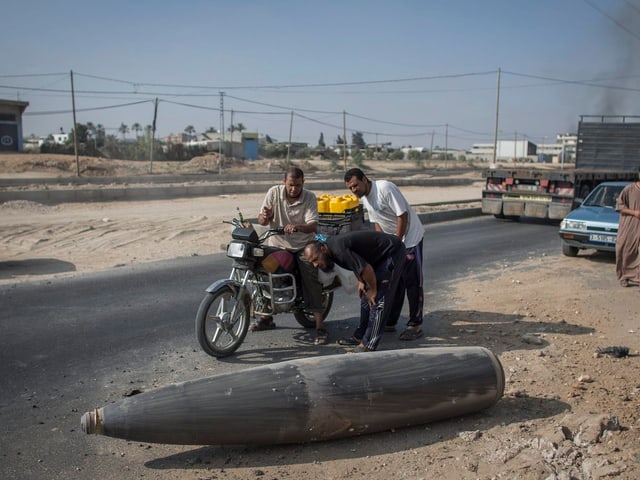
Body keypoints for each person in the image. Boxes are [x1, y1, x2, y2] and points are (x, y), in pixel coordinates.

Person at [344, 167, 424, 341]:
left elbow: (402, 215)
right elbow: (377, 224)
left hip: (410, 239)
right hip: (392, 243)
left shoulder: (385, 188)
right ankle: (391, 321)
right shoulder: (365, 198)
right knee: (393, 281)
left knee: (412, 282)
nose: (354, 190)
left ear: (364, 179)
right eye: (350, 188)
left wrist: (397, 241)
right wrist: (382, 247)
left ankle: (415, 324)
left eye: (355, 185)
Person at [251, 166, 329, 345]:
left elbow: (313, 226)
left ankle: (320, 326)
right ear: (284, 182)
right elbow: (262, 220)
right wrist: (265, 216)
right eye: (291, 185)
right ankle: (266, 317)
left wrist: (297, 227)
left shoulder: (309, 197)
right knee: (262, 271)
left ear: (303, 183)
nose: (294, 189)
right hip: (277, 245)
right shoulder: (273, 193)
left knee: (311, 276)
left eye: (298, 185)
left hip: (303, 246)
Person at [304, 230, 406, 352]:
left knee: (377, 300)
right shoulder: (330, 251)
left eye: (316, 259)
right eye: (312, 263)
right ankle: (360, 336)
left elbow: (366, 269)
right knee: (365, 296)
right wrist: (362, 282)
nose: (315, 265)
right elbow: (355, 263)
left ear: (322, 249)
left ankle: (368, 344)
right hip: (375, 258)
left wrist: (373, 290)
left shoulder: (338, 250)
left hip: (392, 252)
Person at [615, 174, 640, 287]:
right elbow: (619, 206)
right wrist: (634, 212)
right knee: (623, 249)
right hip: (629, 226)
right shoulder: (629, 189)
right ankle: (623, 277)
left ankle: (637, 277)